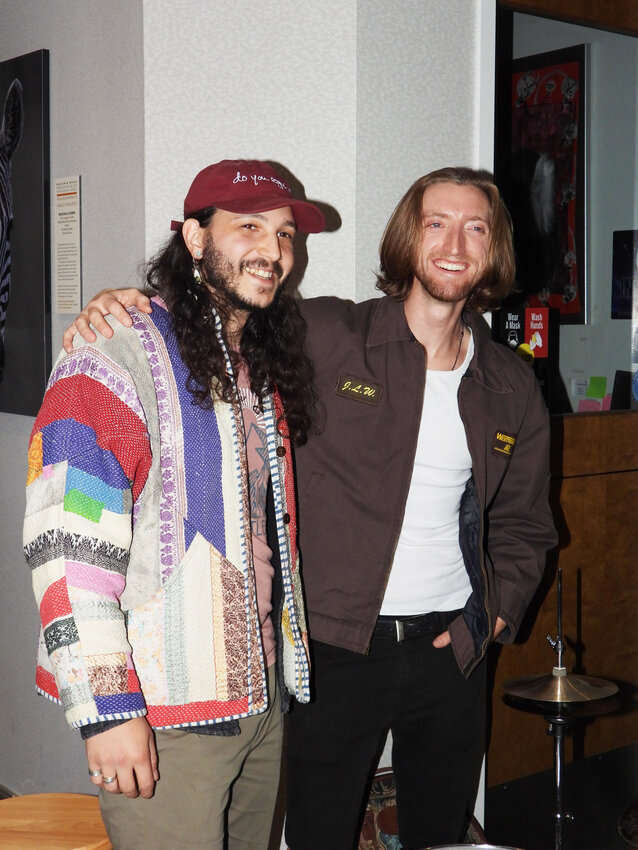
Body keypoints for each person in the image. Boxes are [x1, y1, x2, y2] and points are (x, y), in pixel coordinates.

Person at [63, 166, 558, 849]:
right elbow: (222, 304)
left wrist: (492, 613)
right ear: (409, 239)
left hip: (453, 650)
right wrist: (121, 303)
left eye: (476, 227)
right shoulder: (327, 332)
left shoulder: (509, 384)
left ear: (494, 248)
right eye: (436, 223)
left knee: (442, 835)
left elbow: (526, 524)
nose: (455, 243)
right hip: (334, 650)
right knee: (317, 834)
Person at [24, 159, 326, 849]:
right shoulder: (116, 352)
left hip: (261, 700)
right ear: (194, 238)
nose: (273, 250)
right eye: (248, 226)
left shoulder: (261, 368)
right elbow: (64, 544)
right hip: (165, 717)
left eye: (284, 234)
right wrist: (104, 710)